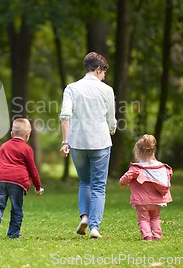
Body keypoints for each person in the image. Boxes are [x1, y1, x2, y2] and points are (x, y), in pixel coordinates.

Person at [59, 52, 117, 239]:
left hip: (77, 142)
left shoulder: (71, 88)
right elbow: (111, 119)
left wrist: (65, 141)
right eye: (104, 73)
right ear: (98, 69)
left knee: (84, 182)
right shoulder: (106, 90)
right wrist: (112, 129)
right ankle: (94, 227)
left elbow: (65, 115)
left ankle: (84, 217)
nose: (104, 77)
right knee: (99, 186)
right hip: (100, 142)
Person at [0, 118, 44, 239]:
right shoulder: (26, 149)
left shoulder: (3, 146)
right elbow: (32, 169)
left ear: (12, 134)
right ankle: (13, 234)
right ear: (28, 135)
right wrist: (38, 187)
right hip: (17, 182)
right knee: (16, 208)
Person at [119, 134, 173, 241]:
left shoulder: (137, 168)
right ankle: (157, 236)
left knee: (143, 219)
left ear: (138, 153)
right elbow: (168, 177)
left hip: (142, 201)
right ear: (153, 151)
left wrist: (123, 181)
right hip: (157, 201)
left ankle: (147, 236)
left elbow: (123, 181)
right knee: (155, 218)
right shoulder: (162, 167)